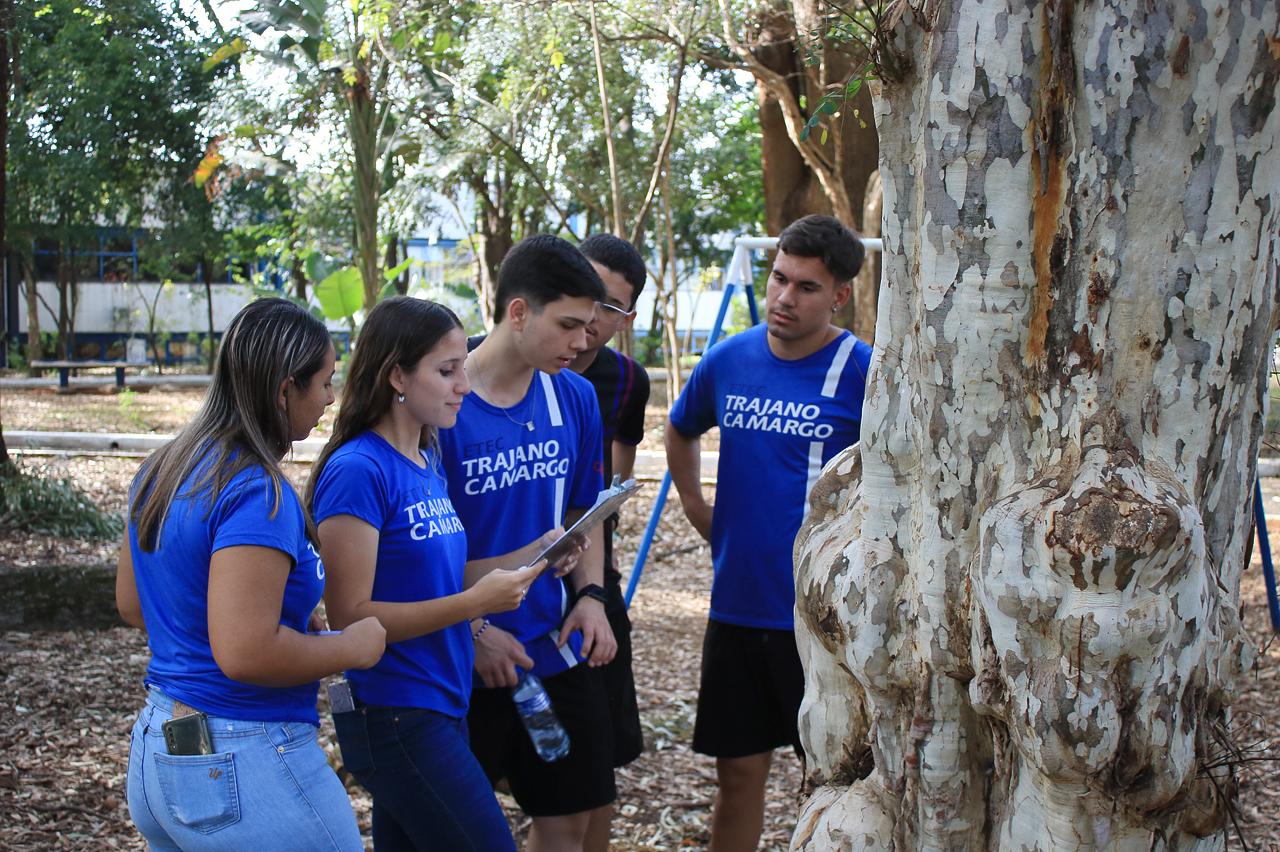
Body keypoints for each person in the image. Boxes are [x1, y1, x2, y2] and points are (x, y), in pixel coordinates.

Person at [307, 296, 577, 851]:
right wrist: (476, 605)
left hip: (442, 701)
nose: (464, 386)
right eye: (447, 371)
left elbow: (445, 574)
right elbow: (351, 616)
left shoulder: (426, 460)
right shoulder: (358, 470)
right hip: (395, 713)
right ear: (397, 375)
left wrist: (536, 551)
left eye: (464, 368)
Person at [117, 297, 387, 852]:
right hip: (242, 753)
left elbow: (136, 604)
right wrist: (352, 646)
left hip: (157, 748)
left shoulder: (163, 466)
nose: (332, 398)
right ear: (284, 389)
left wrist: (274, 611)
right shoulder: (255, 492)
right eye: (325, 382)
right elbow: (245, 653)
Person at [664, 215, 873, 851]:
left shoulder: (861, 369)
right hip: (737, 605)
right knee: (738, 772)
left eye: (806, 287)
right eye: (779, 278)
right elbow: (681, 428)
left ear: (838, 295)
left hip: (821, 619)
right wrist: (699, 507)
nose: (784, 297)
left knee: (834, 782)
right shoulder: (730, 357)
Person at [438, 234, 617, 852]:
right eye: (568, 324)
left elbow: (582, 514)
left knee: (570, 819)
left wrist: (590, 594)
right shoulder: (444, 404)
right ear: (519, 312)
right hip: (457, 655)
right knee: (457, 830)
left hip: (548, 643)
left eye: (589, 325)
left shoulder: (574, 397)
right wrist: (474, 631)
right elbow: (410, 555)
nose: (582, 341)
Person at [571, 234, 651, 852]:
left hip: (589, 569)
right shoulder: (470, 365)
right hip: (482, 579)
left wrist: (594, 578)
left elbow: (613, 484)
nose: (595, 319)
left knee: (598, 747)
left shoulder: (625, 381)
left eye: (614, 308)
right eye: (588, 296)